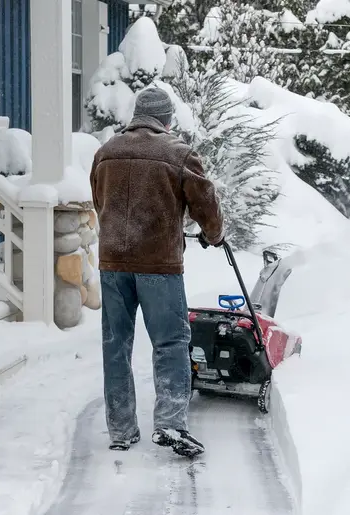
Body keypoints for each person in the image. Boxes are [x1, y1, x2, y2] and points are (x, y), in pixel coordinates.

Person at [89, 87, 224, 457]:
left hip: (113, 263)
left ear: (136, 116)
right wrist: (215, 233)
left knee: (115, 345)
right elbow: (205, 203)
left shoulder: (106, 153)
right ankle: (170, 424)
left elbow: (98, 200)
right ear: (167, 119)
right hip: (158, 266)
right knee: (171, 343)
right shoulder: (178, 153)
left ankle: (120, 429)